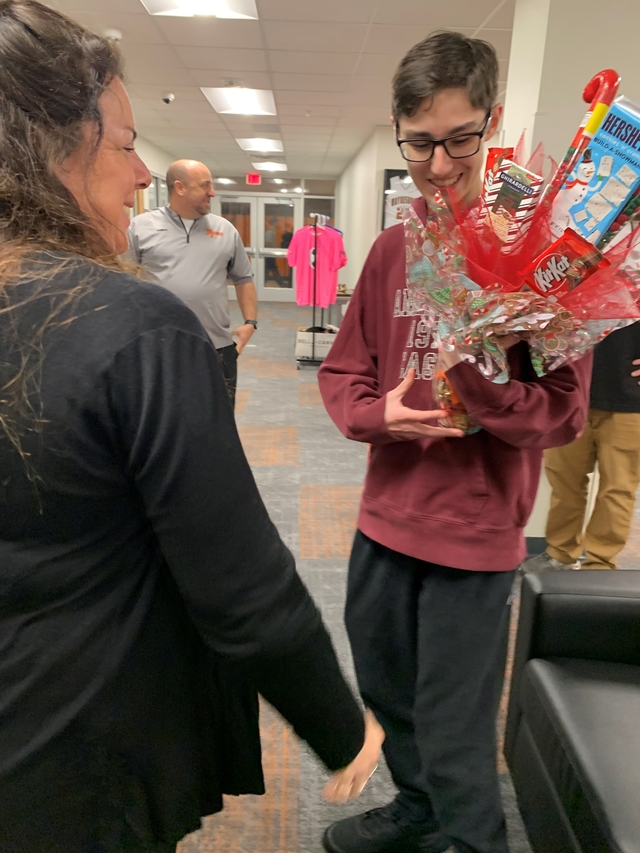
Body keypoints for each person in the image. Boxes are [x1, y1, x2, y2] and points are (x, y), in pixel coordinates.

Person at [0, 3, 384, 852]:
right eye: (125, 141)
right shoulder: (131, 323)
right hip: (70, 756)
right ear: (49, 144)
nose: (140, 171)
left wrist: (245, 328)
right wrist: (343, 723)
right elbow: (239, 583)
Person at [317, 31, 592, 853]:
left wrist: (479, 387)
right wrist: (379, 418)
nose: (438, 166)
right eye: (420, 143)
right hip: (382, 519)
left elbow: (563, 412)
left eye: (460, 140)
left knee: (454, 714)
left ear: (493, 121)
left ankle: (474, 837)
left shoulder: (542, 259)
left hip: (474, 533)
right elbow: (344, 372)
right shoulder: (393, 248)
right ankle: (420, 807)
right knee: (385, 686)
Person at [127, 158, 257, 410]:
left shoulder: (225, 229)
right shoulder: (140, 227)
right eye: (205, 185)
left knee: (218, 419)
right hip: (158, 346)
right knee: (162, 419)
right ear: (180, 187)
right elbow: (123, 279)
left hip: (216, 346)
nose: (212, 192)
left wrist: (250, 323)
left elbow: (243, 277)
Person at [522, 322, 640, 572]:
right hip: (569, 393)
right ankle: (560, 552)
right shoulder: (566, 280)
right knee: (563, 481)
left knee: (617, 488)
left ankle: (600, 563)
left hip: (630, 400)